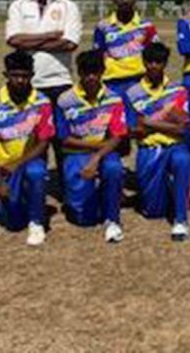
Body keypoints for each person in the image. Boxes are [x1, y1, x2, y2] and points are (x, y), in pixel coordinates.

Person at [6, 0, 82, 184]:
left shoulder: (68, 6)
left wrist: (29, 43)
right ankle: (33, 183)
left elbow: (69, 44)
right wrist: (50, 35)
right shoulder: (19, 6)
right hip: (29, 85)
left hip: (60, 81)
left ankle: (66, 186)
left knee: (62, 139)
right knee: (32, 138)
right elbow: (13, 39)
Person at [0, 51, 55, 246]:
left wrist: (19, 164)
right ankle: (11, 201)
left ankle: (37, 222)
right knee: (13, 223)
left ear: (32, 75)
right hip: (6, 168)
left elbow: (43, 142)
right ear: (6, 75)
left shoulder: (42, 101)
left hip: (31, 161)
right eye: (15, 75)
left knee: (37, 172)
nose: (20, 80)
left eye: (25, 75)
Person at [56, 50, 127, 243]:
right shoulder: (65, 100)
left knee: (113, 167)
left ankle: (112, 218)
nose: (91, 78)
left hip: (104, 153)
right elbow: (64, 139)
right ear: (79, 72)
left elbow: (117, 136)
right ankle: (87, 201)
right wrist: (94, 146)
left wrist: (96, 157)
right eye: (86, 73)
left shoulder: (114, 98)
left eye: (95, 73)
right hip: (76, 153)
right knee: (83, 219)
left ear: (102, 72)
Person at [125, 43, 190, 241]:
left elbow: (182, 129)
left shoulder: (177, 91)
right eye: (150, 62)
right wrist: (166, 121)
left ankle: (180, 220)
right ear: (144, 63)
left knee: (183, 160)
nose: (154, 66)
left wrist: (148, 122)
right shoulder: (132, 93)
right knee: (153, 211)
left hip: (174, 146)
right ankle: (166, 188)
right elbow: (132, 131)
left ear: (165, 64)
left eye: (159, 62)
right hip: (149, 149)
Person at [93, 0, 160, 98]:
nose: (125, 1)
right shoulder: (103, 27)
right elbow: (97, 56)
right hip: (111, 83)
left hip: (140, 81)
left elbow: (155, 56)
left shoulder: (146, 26)